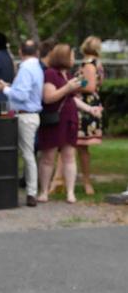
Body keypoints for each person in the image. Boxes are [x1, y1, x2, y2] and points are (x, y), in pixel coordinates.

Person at [0, 39, 43, 206]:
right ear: (36, 52)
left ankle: (30, 192)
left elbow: (21, 96)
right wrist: (12, 87)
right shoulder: (37, 67)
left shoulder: (25, 68)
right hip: (31, 115)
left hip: (24, 116)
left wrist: (5, 89)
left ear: (21, 51)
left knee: (26, 154)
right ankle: (30, 191)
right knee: (28, 154)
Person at [36, 43, 82, 204]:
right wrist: (67, 88)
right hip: (54, 120)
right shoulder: (50, 74)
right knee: (48, 156)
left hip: (69, 119)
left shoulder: (68, 75)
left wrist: (90, 108)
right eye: (71, 56)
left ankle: (70, 192)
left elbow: (73, 98)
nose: (73, 59)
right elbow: (49, 97)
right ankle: (44, 191)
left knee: (69, 156)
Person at [75, 35, 105, 195]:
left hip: (85, 107)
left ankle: (86, 182)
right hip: (93, 104)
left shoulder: (88, 64)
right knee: (80, 147)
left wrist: (73, 86)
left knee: (81, 147)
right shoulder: (98, 64)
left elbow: (90, 86)